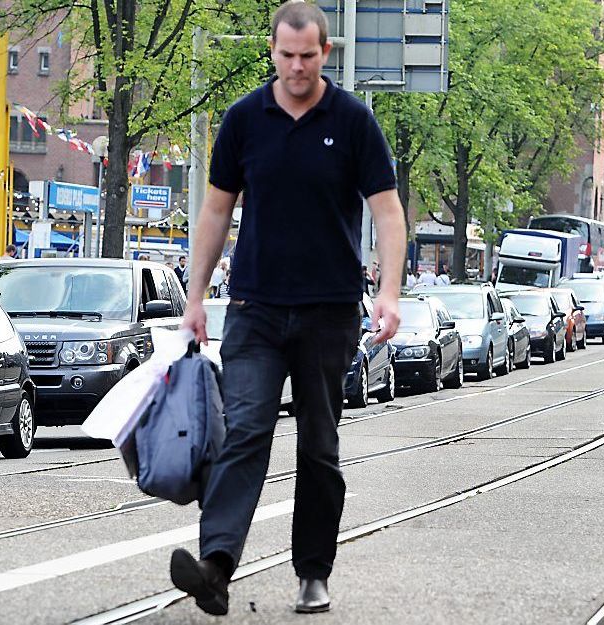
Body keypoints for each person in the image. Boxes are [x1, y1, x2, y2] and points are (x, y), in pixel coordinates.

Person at [171, 2, 405, 616]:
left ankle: (312, 573)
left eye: (308, 56)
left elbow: (387, 212)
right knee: (246, 428)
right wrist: (195, 298)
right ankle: (216, 566)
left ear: (325, 53)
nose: (297, 67)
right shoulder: (244, 119)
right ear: (272, 53)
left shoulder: (353, 122)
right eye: (286, 56)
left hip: (329, 313)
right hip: (254, 306)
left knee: (319, 446)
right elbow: (216, 211)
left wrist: (389, 293)